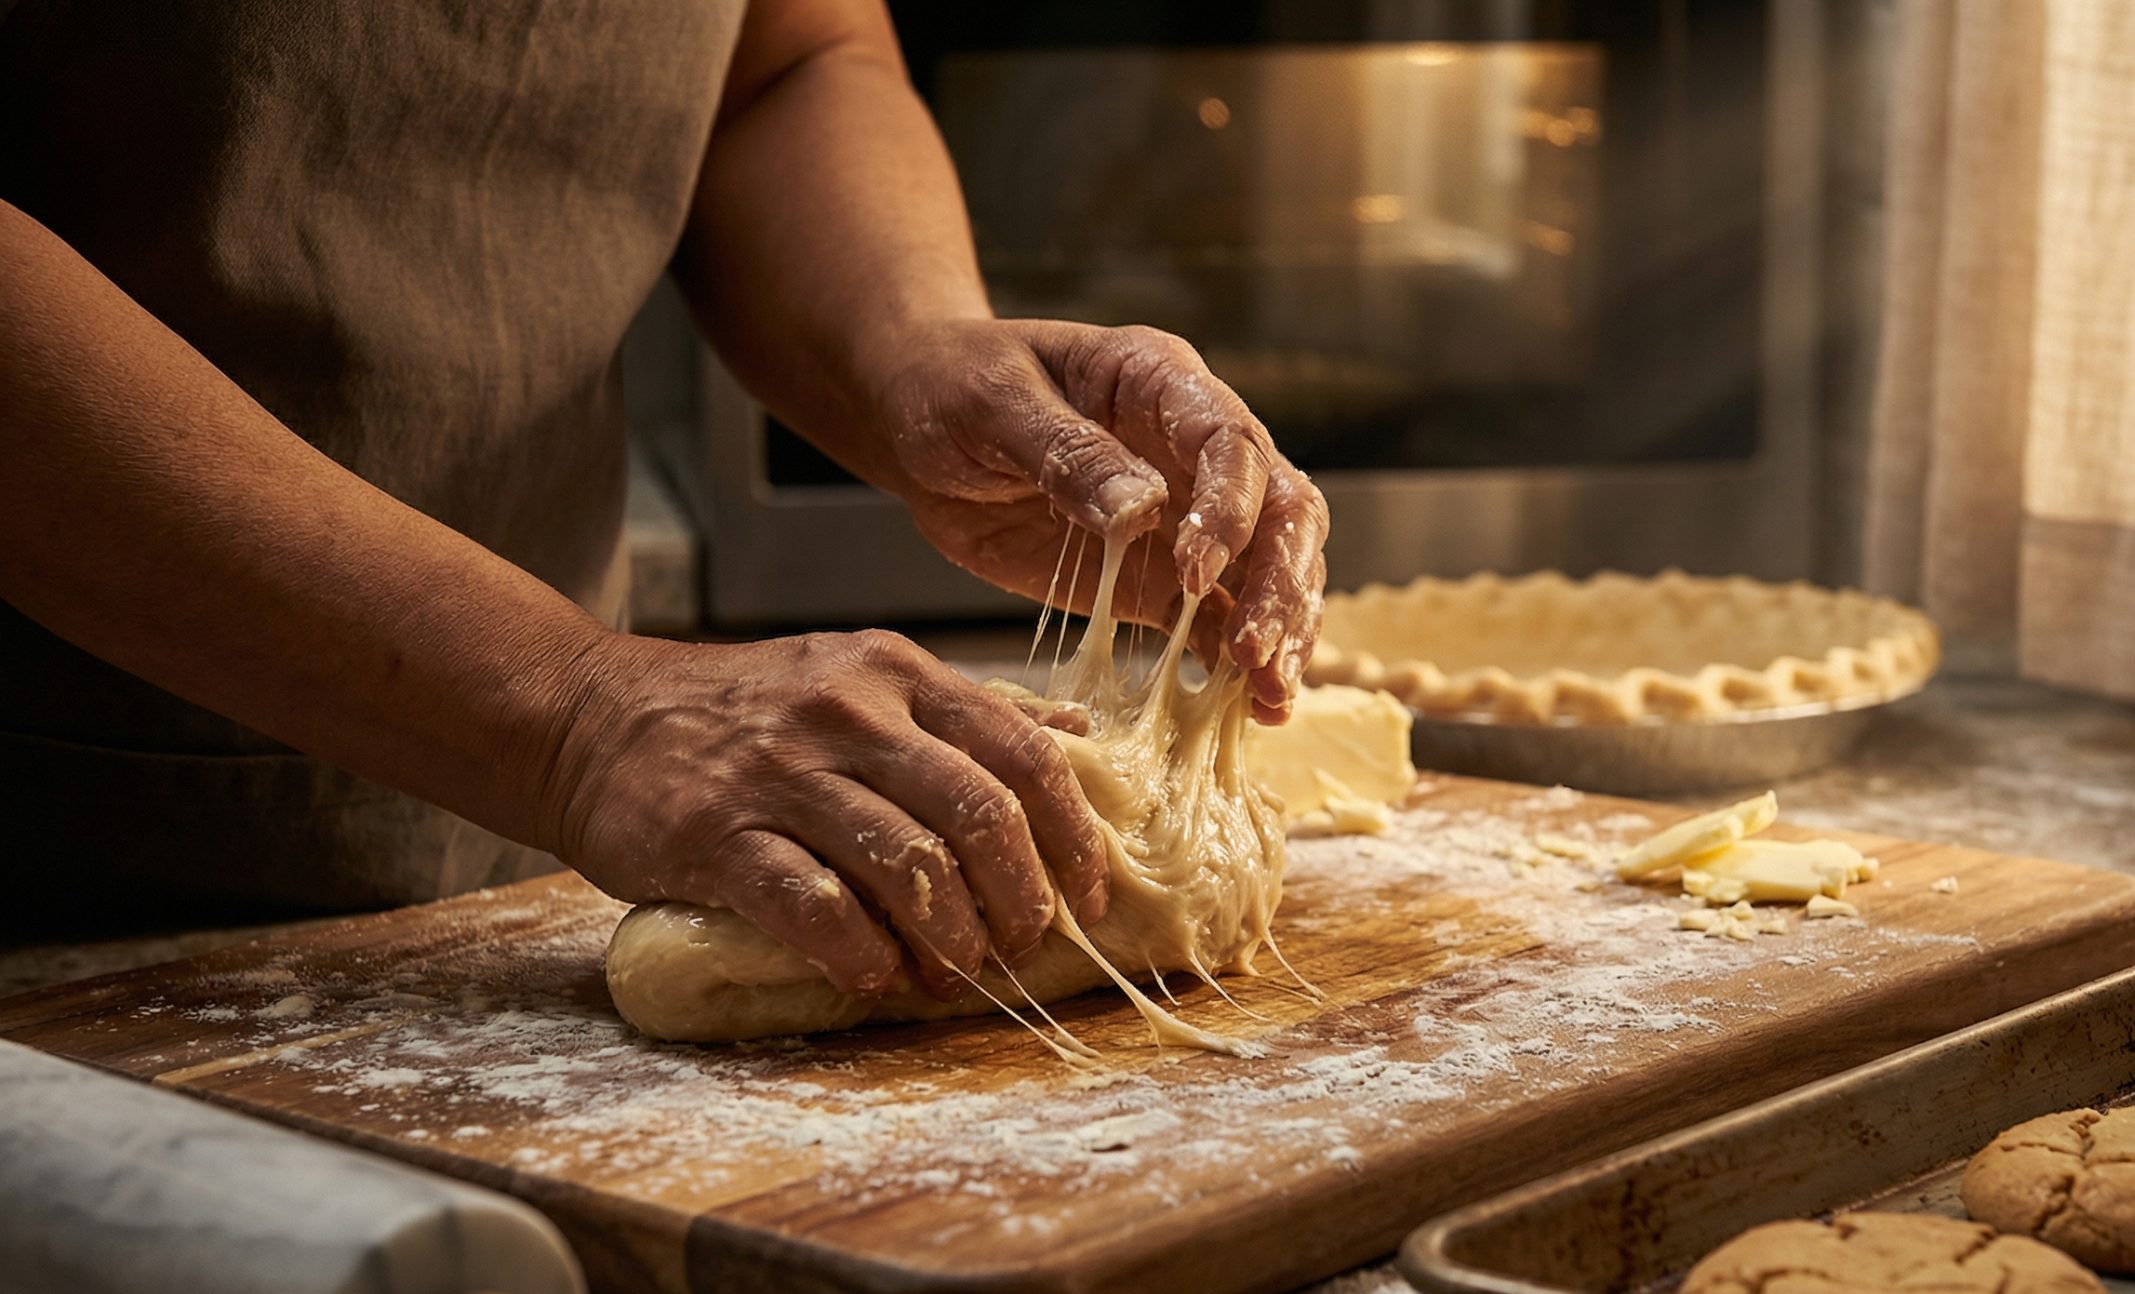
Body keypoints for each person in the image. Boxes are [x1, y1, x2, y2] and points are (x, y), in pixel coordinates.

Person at [0, 0, 1329, 1002]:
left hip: (545, 899)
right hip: (71, 912)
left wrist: (910, 346)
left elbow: (788, 60)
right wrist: (572, 712)